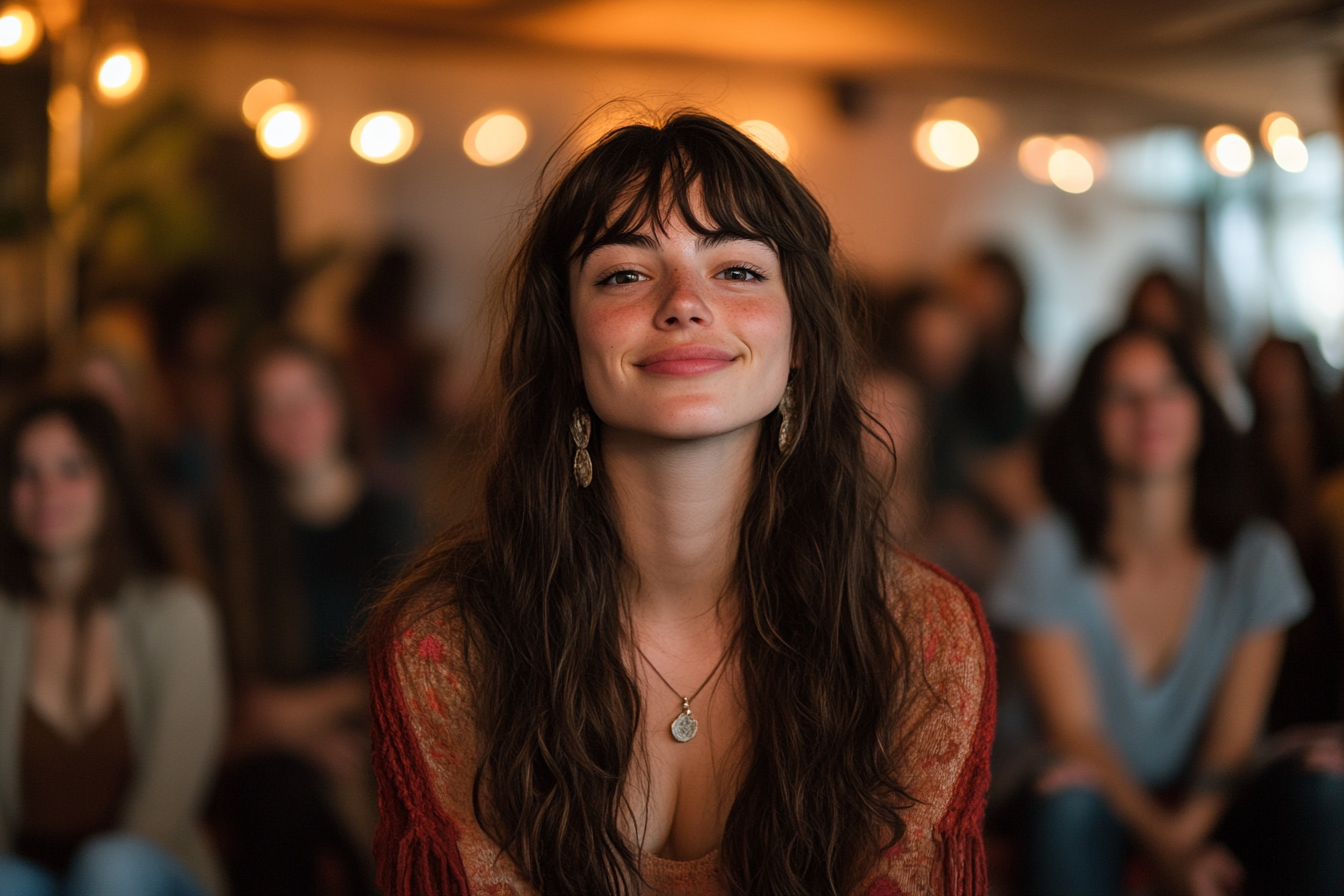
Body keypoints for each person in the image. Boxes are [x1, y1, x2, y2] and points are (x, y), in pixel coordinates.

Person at [363, 111, 994, 896]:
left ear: (800, 337)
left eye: (736, 270)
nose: (685, 303)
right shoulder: (447, 641)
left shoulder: (921, 633)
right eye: (625, 273)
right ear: (566, 338)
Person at [990, 328, 1344, 895]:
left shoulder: (1256, 555)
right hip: (1089, 792)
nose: (1149, 409)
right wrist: (1170, 848)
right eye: (1122, 395)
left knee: (1325, 787)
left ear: (1201, 409)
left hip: (1216, 794)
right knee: (1069, 801)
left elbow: (1233, 739)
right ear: (1090, 420)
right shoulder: (1046, 548)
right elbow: (1075, 733)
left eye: (1170, 388)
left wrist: (1185, 836)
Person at [208, 332, 413, 895]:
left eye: (306, 395)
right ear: (249, 427)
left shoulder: (400, 520)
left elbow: (425, 669)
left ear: (341, 401)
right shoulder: (229, 534)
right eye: (270, 405)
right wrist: (295, 737)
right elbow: (235, 697)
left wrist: (300, 715)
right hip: (270, 761)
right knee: (276, 796)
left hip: (388, 738)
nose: (292, 417)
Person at [0, 395, 226, 896]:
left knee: (110, 868)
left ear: (112, 482)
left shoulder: (178, 615)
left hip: (147, 873)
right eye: (25, 472)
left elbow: (164, 814)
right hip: (29, 875)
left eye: (72, 468)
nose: (47, 491)